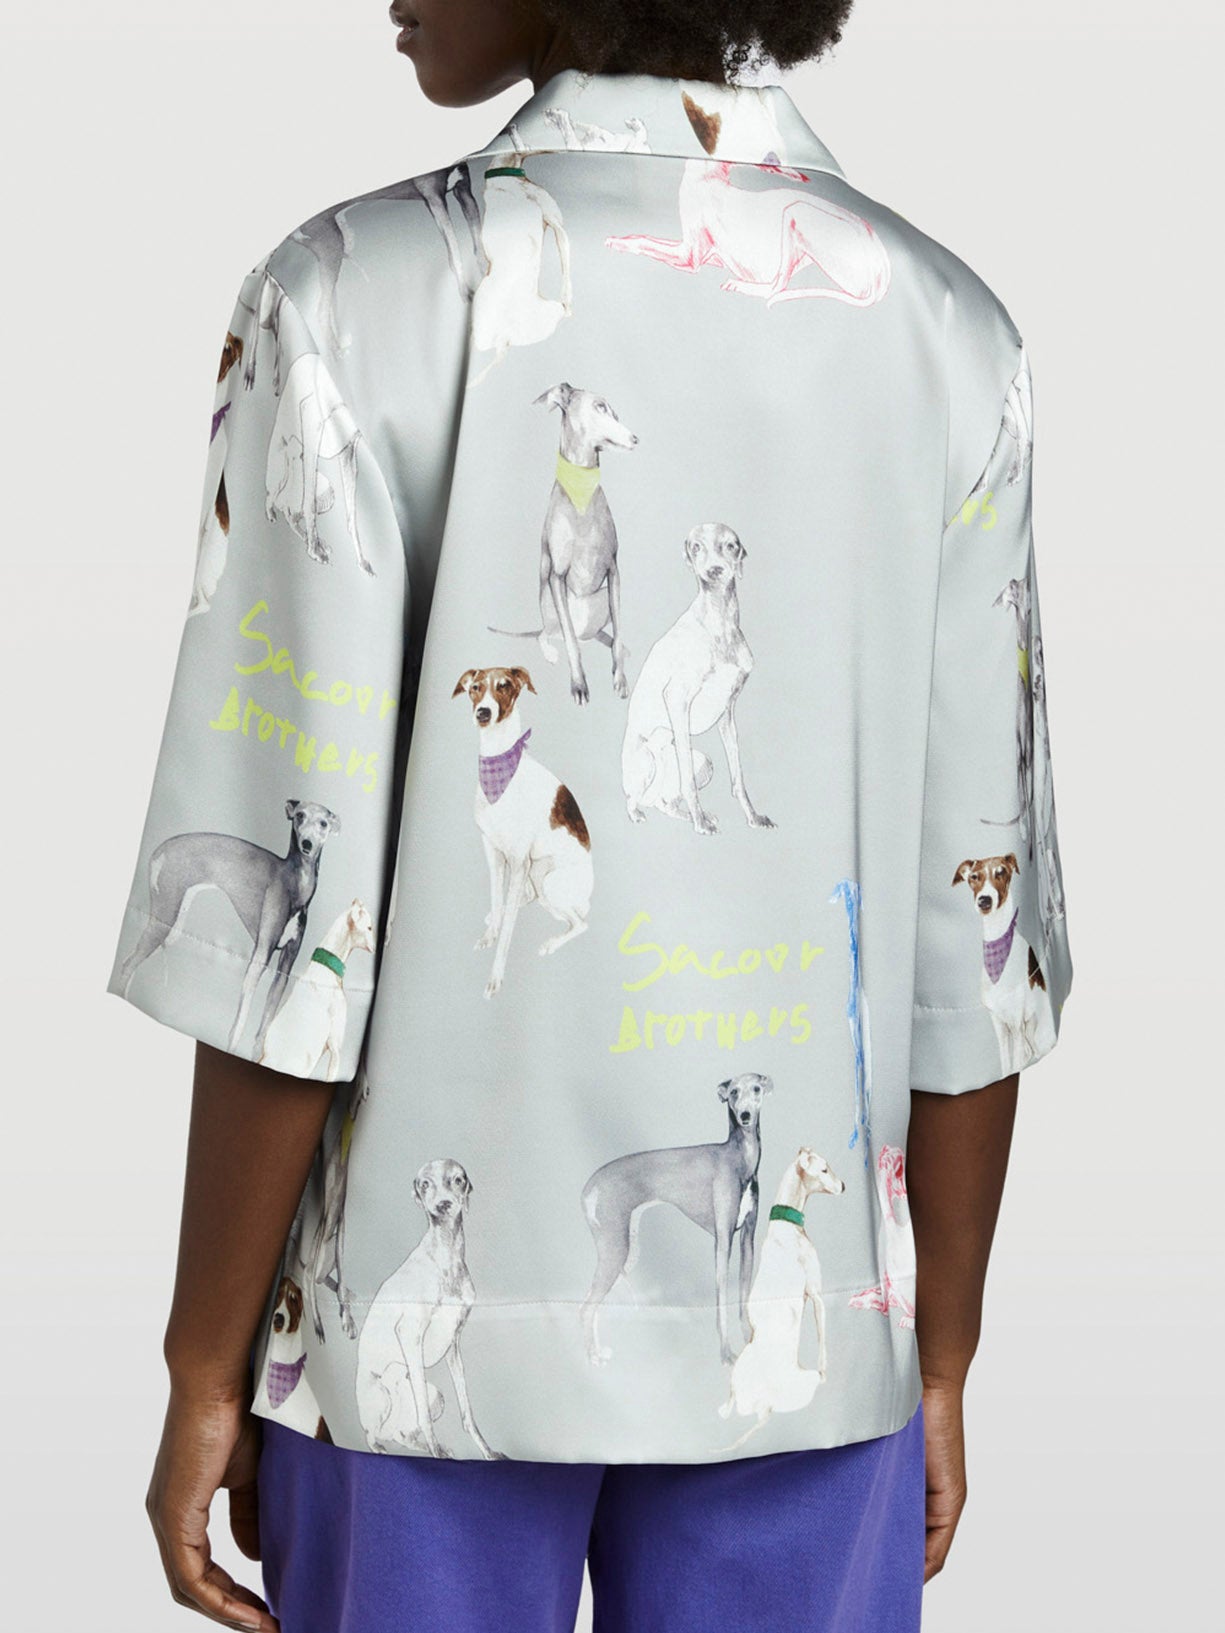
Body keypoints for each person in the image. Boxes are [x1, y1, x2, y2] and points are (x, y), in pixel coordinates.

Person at [106, 2, 1073, 1629]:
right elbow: (974, 955)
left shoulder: (351, 300)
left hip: (417, 1367)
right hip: (811, 1349)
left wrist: (204, 1360)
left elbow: (292, 941)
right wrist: (936, 1350)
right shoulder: (947, 334)